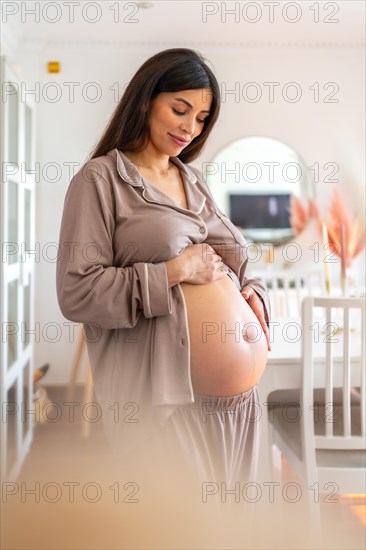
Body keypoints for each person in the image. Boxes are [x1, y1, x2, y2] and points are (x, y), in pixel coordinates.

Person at [56, 48, 271, 506]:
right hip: (166, 406)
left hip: (240, 407)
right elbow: (77, 292)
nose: (189, 128)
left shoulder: (191, 180)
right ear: (145, 99)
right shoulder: (100, 182)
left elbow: (238, 260)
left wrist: (250, 292)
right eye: (180, 109)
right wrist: (174, 272)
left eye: (201, 118)